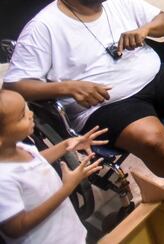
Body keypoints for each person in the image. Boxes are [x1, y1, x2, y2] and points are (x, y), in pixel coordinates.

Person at [5, 0, 164, 177]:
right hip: (106, 103)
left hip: (154, 74)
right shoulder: (43, 27)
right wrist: (67, 87)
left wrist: (145, 29)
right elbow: (13, 86)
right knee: (155, 144)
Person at [0, 89, 107, 244]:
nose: (31, 114)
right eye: (22, 116)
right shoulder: (3, 179)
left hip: (68, 232)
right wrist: (67, 188)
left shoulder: (21, 148)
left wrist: (66, 145)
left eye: (26, 108)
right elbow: (17, 227)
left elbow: (35, 162)